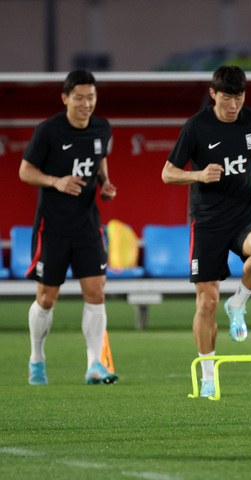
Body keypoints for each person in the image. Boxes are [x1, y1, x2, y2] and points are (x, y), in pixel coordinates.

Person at [162, 66, 251, 398]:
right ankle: (209, 378)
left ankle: (238, 303)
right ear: (213, 94)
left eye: (239, 97)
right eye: (227, 98)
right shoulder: (196, 127)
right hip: (208, 220)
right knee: (207, 302)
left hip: (244, 214)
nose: (233, 105)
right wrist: (198, 176)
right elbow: (168, 174)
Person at [19, 69, 119, 386]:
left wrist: (105, 183)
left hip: (88, 224)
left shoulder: (102, 128)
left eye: (91, 96)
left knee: (96, 292)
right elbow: (25, 171)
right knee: (47, 298)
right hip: (54, 225)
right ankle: (37, 360)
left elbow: (100, 158)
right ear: (65, 98)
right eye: (79, 97)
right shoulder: (49, 131)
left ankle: (94, 365)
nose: (86, 103)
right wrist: (55, 181)